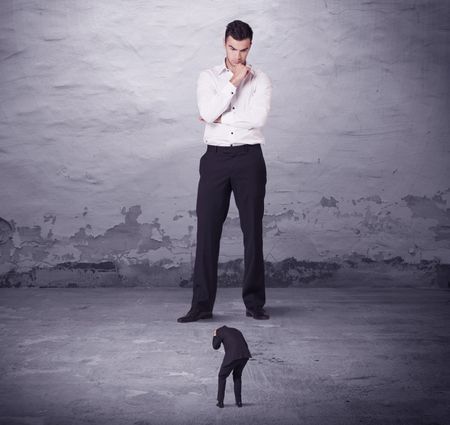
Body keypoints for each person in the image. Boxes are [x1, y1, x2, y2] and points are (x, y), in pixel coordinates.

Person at [177, 20, 272, 323]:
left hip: (249, 159)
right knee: (207, 232)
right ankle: (201, 305)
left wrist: (217, 117)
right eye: (233, 48)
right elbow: (207, 112)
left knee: (252, 232)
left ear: (250, 47)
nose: (238, 56)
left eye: (243, 50)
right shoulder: (208, 77)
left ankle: (255, 304)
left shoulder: (262, 80)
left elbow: (257, 120)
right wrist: (233, 84)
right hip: (215, 160)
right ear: (224, 43)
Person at [212, 325, 252, 407]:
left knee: (222, 376)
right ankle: (239, 402)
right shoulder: (236, 330)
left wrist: (214, 335)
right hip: (245, 355)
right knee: (237, 376)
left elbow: (215, 346)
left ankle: (220, 402)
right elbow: (245, 344)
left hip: (233, 356)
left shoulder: (219, 331)